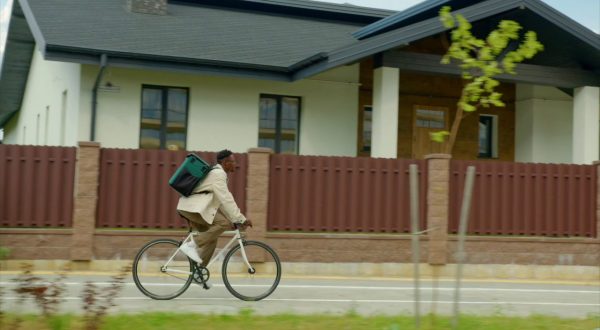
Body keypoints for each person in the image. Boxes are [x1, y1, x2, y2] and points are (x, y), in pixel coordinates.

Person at [176, 149, 252, 279]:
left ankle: (198, 273)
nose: (235, 164)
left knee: (212, 237)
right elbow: (226, 198)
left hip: (197, 208)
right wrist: (241, 218)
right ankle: (191, 245)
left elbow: (220, 202)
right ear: (225, 163)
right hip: (193, 208)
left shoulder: (219, 174)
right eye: (233, 162)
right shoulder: (218, 174)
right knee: (223, 224)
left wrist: (235, 220)